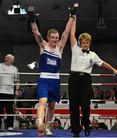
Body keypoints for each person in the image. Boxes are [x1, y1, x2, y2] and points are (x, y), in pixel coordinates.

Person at [28, 3, 78, 136]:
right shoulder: (43, 45)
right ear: (48, 37)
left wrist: (72, 16)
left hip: (55, 80)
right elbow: (36, 32)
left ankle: (48, 126)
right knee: (42, 101)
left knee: (51, 106)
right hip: (44, 79)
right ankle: (39, 122)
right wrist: (32, 18)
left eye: (56, 37)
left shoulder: (60, 47)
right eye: (53, 37)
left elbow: (66, 32)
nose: (55, 39)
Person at [68, 15, 117, 137]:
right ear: (80, 43)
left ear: (89, 43)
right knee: (73, 106)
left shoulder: (93, 54)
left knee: (85, 105)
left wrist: (114, 70)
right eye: (83, 42)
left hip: (86, 79)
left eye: (87, 42)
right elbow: (71, 34)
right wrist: (74, 20)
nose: (85, 44)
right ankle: (76, 131)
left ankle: (86, 123)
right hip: (74, 79)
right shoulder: (75, 49)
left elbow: (102, 63)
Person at [0, 54, 20, 130]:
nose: (6, 59)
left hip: (10, 92)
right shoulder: (0, 66)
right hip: (0, 91)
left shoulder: (14, 69)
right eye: (6, 57)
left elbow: (17, 81)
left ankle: (10, 126)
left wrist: (17, 90)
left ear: (12, 60)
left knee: (10, 110)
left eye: (8, 58)